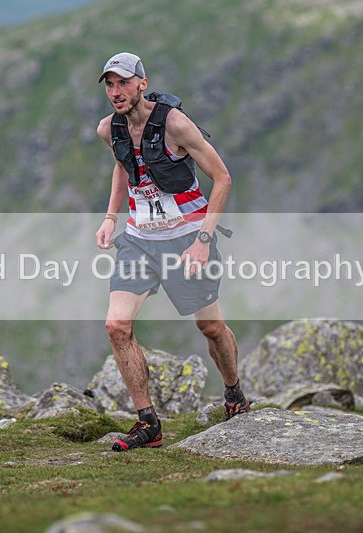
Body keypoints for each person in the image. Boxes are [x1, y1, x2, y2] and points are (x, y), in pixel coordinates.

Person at [94, 52, 250, 452]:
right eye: (109, 84)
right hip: (140, 242)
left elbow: (222, 178)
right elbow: (123, 165)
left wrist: (203, 240)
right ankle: (148, 424)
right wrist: (112, 216)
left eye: (123, 83)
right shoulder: (107, 129)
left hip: (187, 240)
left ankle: (234, 394)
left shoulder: (176, 124)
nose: (116, 92)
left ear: (141, 84)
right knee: (116, 327)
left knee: (211, 327)